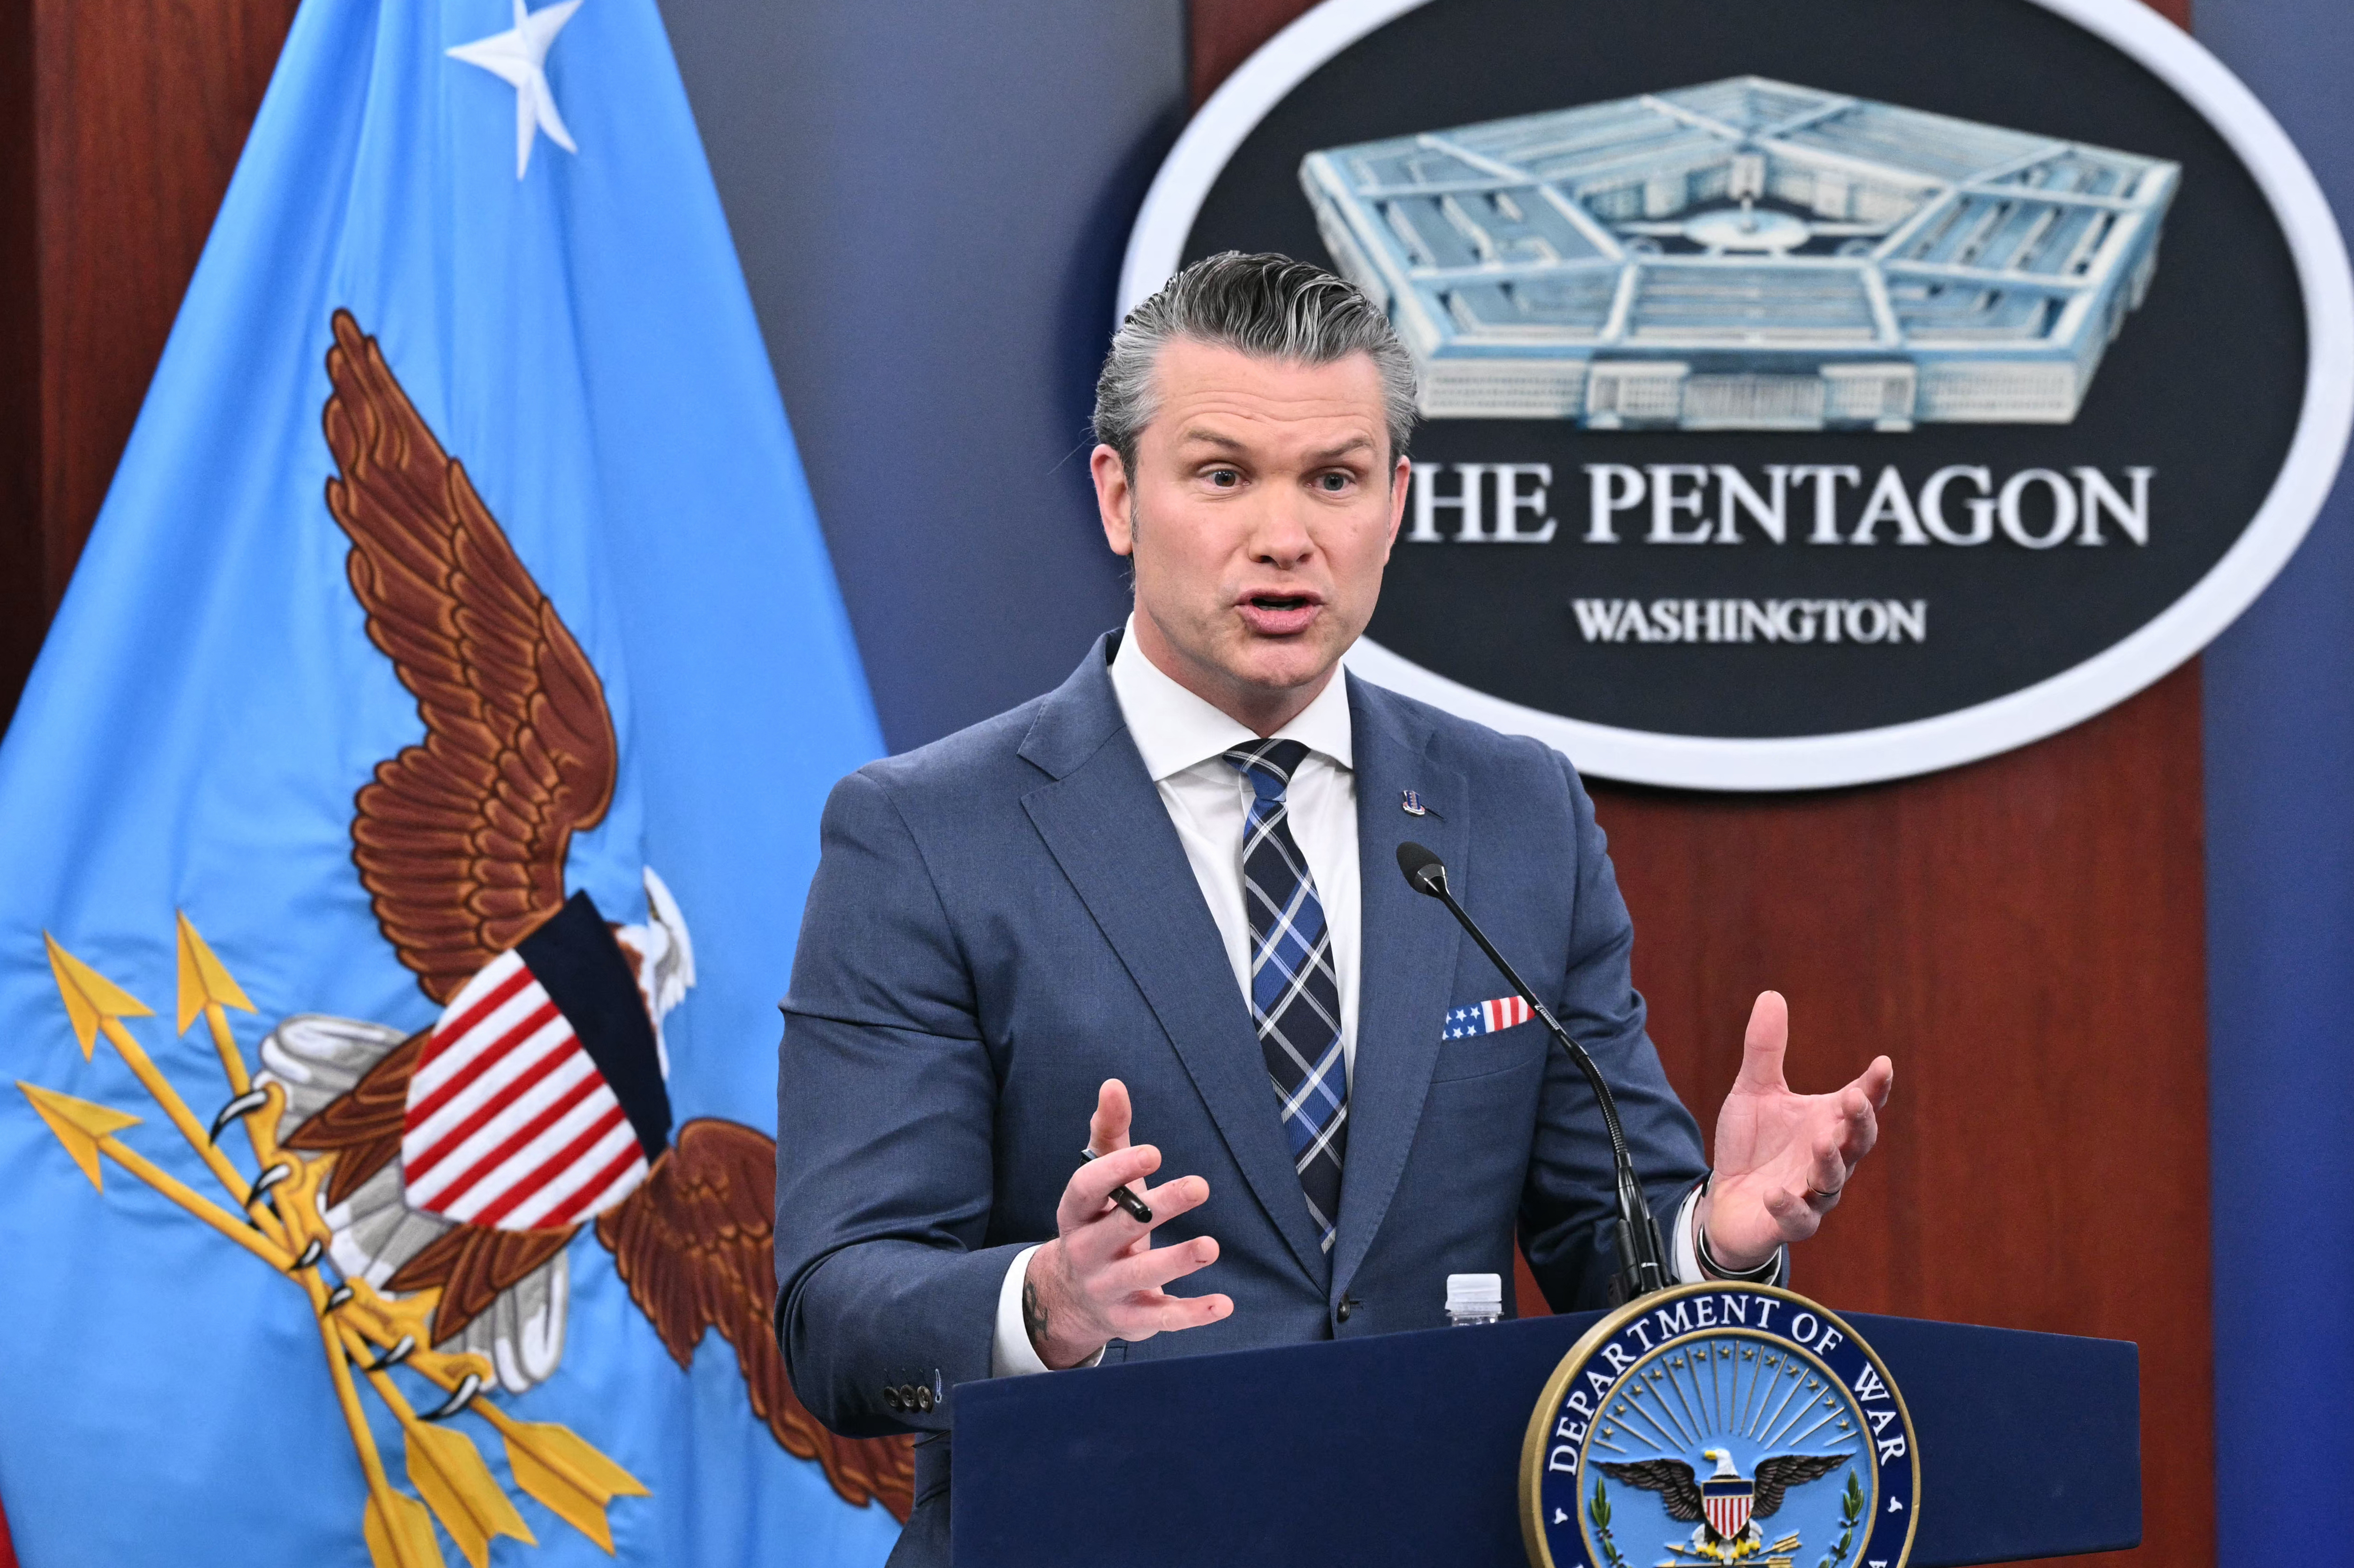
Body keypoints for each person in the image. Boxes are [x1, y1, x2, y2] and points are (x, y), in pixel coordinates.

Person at [772, 252, 1893, 1564]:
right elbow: (837, 1324)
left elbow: (1607, 1249)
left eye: (1335, 480)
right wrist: (1050, 1301)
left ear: (1397, 505)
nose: (1285, 536)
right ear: (1118, 496)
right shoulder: (927, 834)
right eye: (1224, 474)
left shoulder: (1510, 812)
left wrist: (1716, 1237)